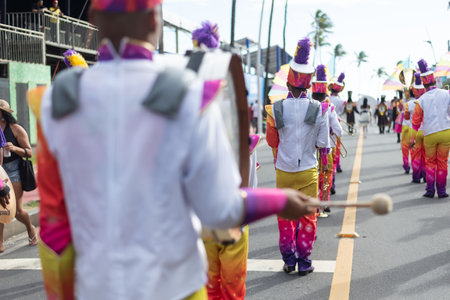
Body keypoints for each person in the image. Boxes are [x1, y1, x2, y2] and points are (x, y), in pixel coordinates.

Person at [28, 1, 315, 299]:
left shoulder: (57, 102)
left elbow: (55, 229)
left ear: (94, 17)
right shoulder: (188, 94)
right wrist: (280, 200)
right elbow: (219, 210)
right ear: (154, 21)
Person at [266, 37, 329, 276]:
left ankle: (289, 260)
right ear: (308, 84)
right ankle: (304, 261)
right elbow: (323, 144)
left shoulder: (275, 109)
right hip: (308, 173)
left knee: (285, 219)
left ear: (289, 82)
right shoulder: (319, 108)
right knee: (307, 218)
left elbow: (273, 142)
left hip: (284, 172)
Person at [411, 59, 450, 198]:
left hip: (430, 135)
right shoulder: (446, 94)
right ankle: (442, 191)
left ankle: (430, 190)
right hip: (446, 132)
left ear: (423, 83)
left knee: (430, 163)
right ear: (434, 80)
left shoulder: (421, 100)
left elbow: (415, 122)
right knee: (442, 162)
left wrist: (411, 139)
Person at [0, 100, 35, 253]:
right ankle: (0, 242)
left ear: (4, 113)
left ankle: (30, 228)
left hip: (14, 170)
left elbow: (29, 152)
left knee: (17, 211)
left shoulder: (15, 129)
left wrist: (14, 148)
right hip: (0, 170)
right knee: (0, 208)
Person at [311, 65, 342, 217]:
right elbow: (339, 131)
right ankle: (324, 204)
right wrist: (330, 129)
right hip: (326, 149)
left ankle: (315, 206)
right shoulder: (329, 108)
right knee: (326, 177)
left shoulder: (308, 106)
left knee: (313, 178)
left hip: (310, 150)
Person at [405, 73, 426, 183]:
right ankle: (426, 176)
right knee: (426, 155)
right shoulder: (427, 100)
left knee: (415, 155)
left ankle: (417, 177)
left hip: (414, 131)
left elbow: (406, 118)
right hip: (427, 131)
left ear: (414, 90)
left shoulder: (409, 104)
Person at [329, 73, 345, 176]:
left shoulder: (327, 99)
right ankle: (337, 165)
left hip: (325, 125)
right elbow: (342, 112)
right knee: (337, 147)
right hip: (336, 123)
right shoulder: (341, 101)